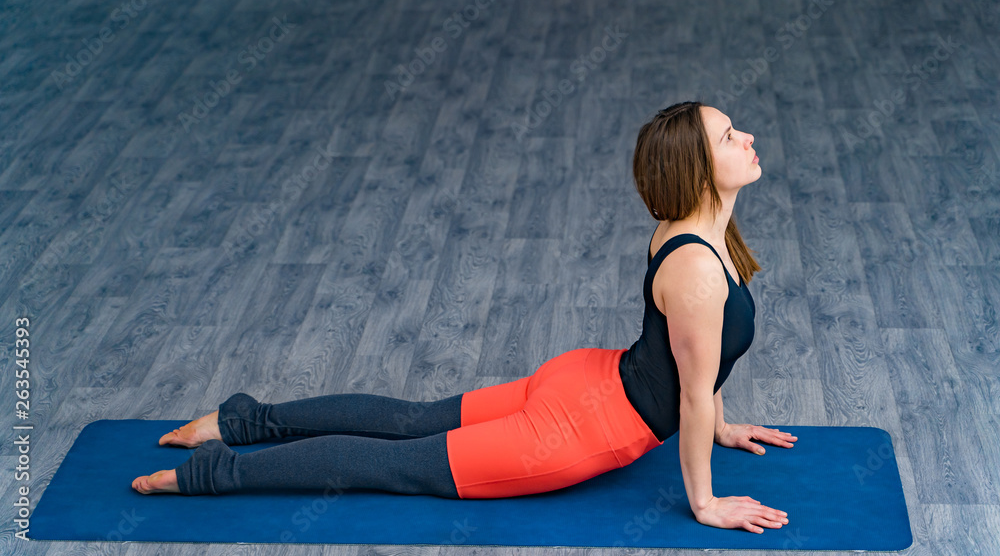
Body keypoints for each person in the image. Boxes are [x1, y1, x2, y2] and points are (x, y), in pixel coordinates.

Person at [132, 101, 796, 534]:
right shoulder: (700, 269)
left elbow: (696, 362)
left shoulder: (699, 233)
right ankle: (215, 470)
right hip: (576, 427)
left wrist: (721, 422)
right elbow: (690, 379)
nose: (749, 138)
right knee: (397, 463)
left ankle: (245, 419)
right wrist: (705, 504)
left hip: (583, 379)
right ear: (697, 170)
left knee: (409, 419)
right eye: (730, 137)